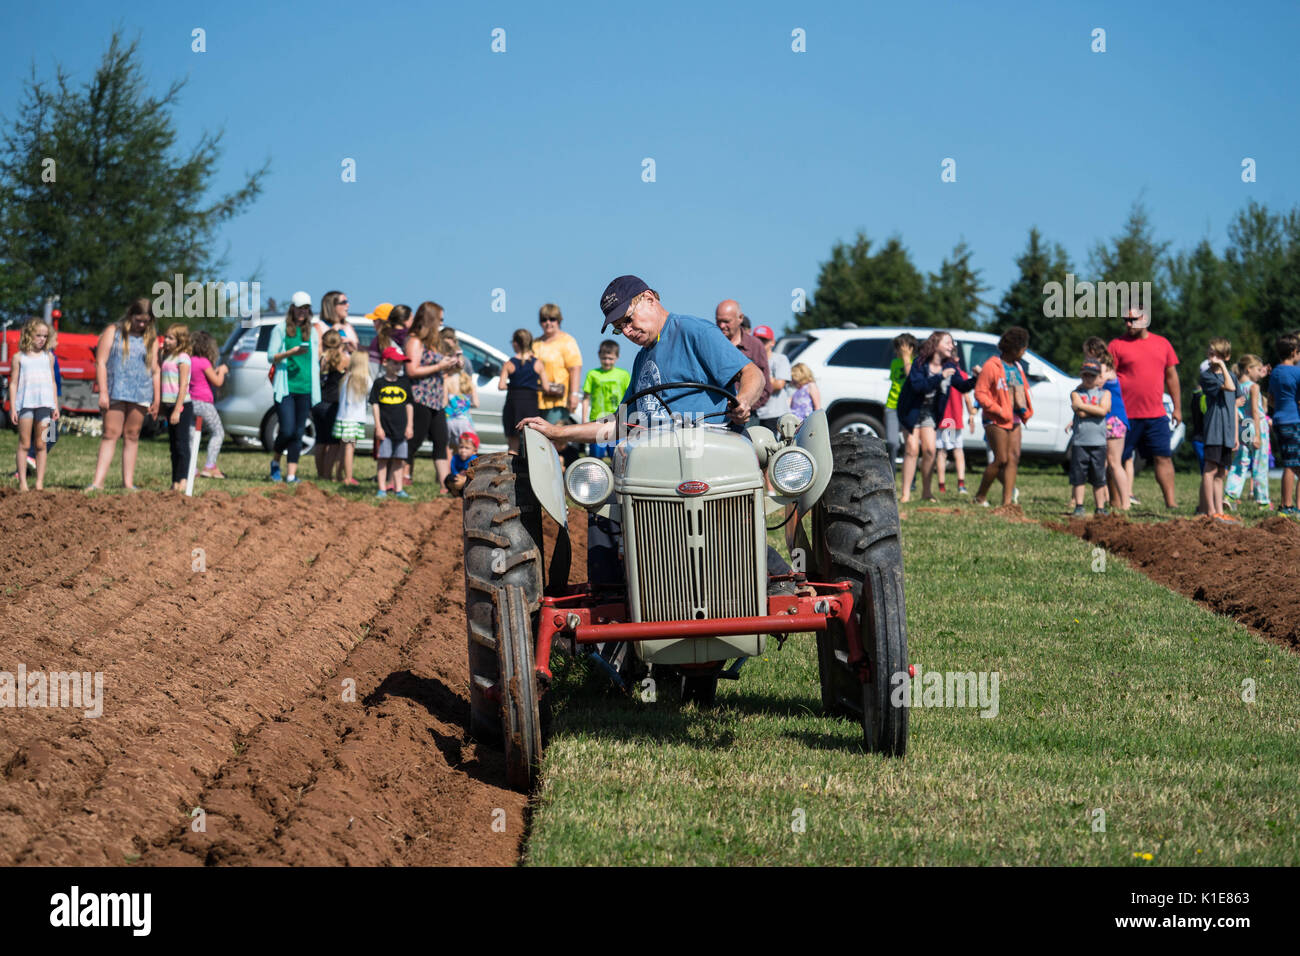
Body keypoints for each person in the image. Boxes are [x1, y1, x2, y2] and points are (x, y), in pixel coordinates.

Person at [517, 275, 767, 588]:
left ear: (649, 298)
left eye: (629, 320)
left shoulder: (693, 331)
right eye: (620, 327)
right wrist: (559, 431)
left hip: (706, 457)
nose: (628, 332)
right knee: (602, 505)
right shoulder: (641, 361)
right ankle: (609, 603)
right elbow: (618, 424)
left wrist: (743, 400)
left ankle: (773, 574)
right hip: (655, 466)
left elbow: (751, 372)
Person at [1109, 307, 1181, 511]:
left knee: (1163, 457)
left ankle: (1171, 503)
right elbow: (1105, 377)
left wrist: (1177, 408)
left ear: (1145, 318)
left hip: (1156, 414)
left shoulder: (1162, 343)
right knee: (1117, 460)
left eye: (1132, 319)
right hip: (1123, 415)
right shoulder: (1116, 345)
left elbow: (1172, 377)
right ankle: (1115, 502)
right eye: (1126, 320)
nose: (1128, 324)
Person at [88, 298, 160, 492]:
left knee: (132, 435)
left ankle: (128, 483)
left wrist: (156, 399)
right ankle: (97, 482)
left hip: (141, 392)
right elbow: (101, 362)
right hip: (115, 390)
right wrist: (103, 392)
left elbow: (155, 370)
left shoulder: (151, 338)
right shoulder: (114, 332)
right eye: (139, 320)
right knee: (110, 433)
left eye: (146, 321)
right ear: (131, 316)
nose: (142, 324)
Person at [898, 331, 974, 502]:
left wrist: (977, 378)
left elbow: (961, 386)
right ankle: (905, 494)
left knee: (930, 450)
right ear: (936, 343)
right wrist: (940, 377)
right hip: (911, 409)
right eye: (948, 342)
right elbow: (918, 386)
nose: (952, 346)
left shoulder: (950, 367)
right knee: (911, 449)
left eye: (952, 343)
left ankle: (927, 492)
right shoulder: (920, 363)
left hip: (930, 412)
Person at [972, 327, 1033, 507]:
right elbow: (980, 393)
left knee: (1013, 458)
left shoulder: (1017, 367)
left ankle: (1007, 503)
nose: (1024, 351)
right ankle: (980, 496)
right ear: (1014, 348)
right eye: (1023, 348)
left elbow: (1023, 390)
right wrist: (998, 409)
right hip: (995, 419)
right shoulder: (992, 366)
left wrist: (1026, 410)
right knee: (1001, 459)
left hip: (1014, 419)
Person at [268, 291, 321, 484]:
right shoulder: (280, 329)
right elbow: (271, 356)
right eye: (299, 308)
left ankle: (291, 474)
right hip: (286, 388)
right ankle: (275, 461)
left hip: (306, 387)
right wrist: (290, 352)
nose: (302, 312)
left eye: (306, 308)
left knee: (299, 432)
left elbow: (315, 358)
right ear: (292, 308)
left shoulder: (312, 331)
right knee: (287, 430)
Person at [405, 302, 457, 488]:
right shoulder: (415, 341)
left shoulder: (433, 343)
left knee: (441, 441)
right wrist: (439, 366)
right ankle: (400, 478)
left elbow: (436, 366)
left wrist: (449, 364)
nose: (441, 323)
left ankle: (446, 487)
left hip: (436, 400)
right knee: (414, 441)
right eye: (440, 319)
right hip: (420, 398)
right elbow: (411, 370)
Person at [8, 318, 58, 491]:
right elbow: (13, 383)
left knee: (42, 444)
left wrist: (55, 406)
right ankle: (22, 482)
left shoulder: (49, 357)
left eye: (45, 336)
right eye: (38, 335)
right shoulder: (19, 358)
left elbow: (53, 382)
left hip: (45, 405)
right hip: (26, 405)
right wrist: (14, 407)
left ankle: (39, 482)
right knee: (24, 444)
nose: (42, 339)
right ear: (29, 335)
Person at [1199, 338, 1239, 522]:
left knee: (1221, 472)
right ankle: (1210, 511)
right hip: (1214, 429)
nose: (1212, 357)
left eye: (1216, 354)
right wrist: (1222, 366)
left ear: (1226, 356)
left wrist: (1236, 435)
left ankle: (1219, 512)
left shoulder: (1232, 376)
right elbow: (1229, 388)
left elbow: (1236, 404)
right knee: (1210, 469)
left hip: (1228, 431)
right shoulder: (1207, 376)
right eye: (1210, 353)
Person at [1225, 354, 1271, 510]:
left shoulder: (1237, 385)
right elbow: (1255, 412)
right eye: (1258, 370)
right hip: (1256, 426)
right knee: (1260, 463)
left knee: (1241, 461)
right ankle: (1262, 501)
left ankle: (1230, 494)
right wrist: (1258, 435)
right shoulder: (1254, 387)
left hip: (1244, 425)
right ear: (1249, 369)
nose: (1260, 373)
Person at [1067, 360, 1112, 517]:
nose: (1088, 379)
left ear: (1099, 377)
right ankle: (1079, 506)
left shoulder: (1105, 394)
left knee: (1099, 477)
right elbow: (1080, 413)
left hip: (1099, 442)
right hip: (1080, 441)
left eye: (1092, 376)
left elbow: (1103, 411)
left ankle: (1100, 508)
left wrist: (1084, 407)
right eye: (1085, 375)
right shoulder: (1075, 393)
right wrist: (1096, 409)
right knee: (1079, 477)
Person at [715, 300, 772, 417]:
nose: (721, 326)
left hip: (748, 415)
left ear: (740, 318)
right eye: (718, 321)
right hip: (716, 415)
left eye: (726, 321)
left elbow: (765, 386)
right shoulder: (712, 344)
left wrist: (746, 405)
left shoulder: (755, 345)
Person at [371, 346, 414, 499]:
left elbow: (409, 405)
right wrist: (378, 427)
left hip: (401, 429)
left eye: (400, 363)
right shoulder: (379, 383)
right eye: (395, 363)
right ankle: (382, 488)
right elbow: (375, 405)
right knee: (383, 459)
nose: (398, 366)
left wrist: (409, 426)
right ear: (385, 362)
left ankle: (398, 489)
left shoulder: (404, 383)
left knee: (399, 459)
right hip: (385, 429)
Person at [499, 328, 551, 455]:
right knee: (531, 443)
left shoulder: (509, 364)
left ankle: (513, 472)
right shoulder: (537, 363)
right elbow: (546, 387)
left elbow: (501, 386)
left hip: (513, 404)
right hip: (530, 405)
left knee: (513, 445)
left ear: (516, 343)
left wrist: (514, 385)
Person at [533, 303, 583, 425]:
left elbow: (575, 368)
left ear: (559, 321)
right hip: (536, 399)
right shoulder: (535, 343)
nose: (548, 323)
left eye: (552, 319)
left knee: (555, 437)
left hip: (558, 400)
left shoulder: (567, 341)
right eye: (544, 319)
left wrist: (574, 394)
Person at [158, 324, 195, 492]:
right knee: (173, 446)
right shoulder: (167, 357)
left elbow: (183, 385)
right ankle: (174, 480)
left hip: (181, 405)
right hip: (167, 404)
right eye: (165, 337)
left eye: (170, 338)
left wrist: (177, 409)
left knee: (181, 444)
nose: (166, 340)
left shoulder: (183, 358)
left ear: (180, 340)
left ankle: (183, 479)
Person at [1267, 332, 1300, 516]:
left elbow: (1271, 399)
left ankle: (1294, 507)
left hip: (1279, 420)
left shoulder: (1276, 372)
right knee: (1290, 464)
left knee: (1293, 462)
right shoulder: (1297, 372)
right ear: (1294, 352)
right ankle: (1287, 506)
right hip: (1293, 421)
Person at [189, 331, 229, 480]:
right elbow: (217, 382)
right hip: (204, 403)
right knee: (218, 432)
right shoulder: (204, 362)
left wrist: (215, 371)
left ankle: (191, 468)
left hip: (190, 403)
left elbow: (204, 375)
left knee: (192, 436)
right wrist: (223, 371)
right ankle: (210, 466)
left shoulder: (190, 360)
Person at [581, 339, 631, 458]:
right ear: (599, 356)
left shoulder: (623, 375)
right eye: (604, 358)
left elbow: (629, 398)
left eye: (611, 359)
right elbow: (586, 398)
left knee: (618, 457)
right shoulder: (592, 374)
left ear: (617, 357)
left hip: (617, 422)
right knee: (596, 457)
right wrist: (584, 420)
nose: (607, 362)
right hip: (597, 421)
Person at [312, 330, 349, 480]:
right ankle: (328, 474)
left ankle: (321, 474)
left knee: (320, 441)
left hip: (318, 403)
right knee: (334, 444)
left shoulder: (321, 359)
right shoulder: (343, 359)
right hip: (333, 404)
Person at [936, 354, 975, 494]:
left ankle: (942, 486)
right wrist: (971, 415)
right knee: (956, 451)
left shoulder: (940, 373)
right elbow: (967, 398)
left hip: (943, 419)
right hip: (952, 419)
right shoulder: (962, 374)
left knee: (942, 451)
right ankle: (960, 484)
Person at [334, 349, 372, 487]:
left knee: (343, 448)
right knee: (350, 447)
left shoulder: (346, 378)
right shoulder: (365, 380)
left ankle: (338, 474)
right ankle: (348, 477)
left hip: (343, 418)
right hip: (353, 420)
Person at [439, 327, 479, 449]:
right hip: (465, 419)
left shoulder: (446, 379)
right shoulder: (467, 379)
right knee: (466, 447)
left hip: (449, 418)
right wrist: (464, 404)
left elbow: (444, 402)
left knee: (447, 447)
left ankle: (450, 468)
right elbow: (475, 402)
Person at [885, 333, 917, 469]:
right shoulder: (894, 363)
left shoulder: (917, 362)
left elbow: (912, 379)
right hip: (892, 406)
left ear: (911, 348)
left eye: (902, 348)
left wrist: (906, 358)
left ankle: (912, 478)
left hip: (909, 408)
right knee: (892, 443)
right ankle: (891, 476)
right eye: (897, 348)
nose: (898, 351)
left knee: (911, 445)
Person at [752, 325, 791, 431]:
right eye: (757, 340)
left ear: (772, 342)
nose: (760, 344)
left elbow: (779, 384)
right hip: (755, 413)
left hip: (775, 414)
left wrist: (756, 382)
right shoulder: (750, 361)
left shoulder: (780, 359)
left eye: (763, 341)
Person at [445, 431, 480, 495]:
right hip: (459, 478)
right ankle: (454, 493)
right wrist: (458, 477)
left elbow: (476, 475)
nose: (463, 450)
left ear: (474, 451)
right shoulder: (455, 458)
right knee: (448, 478)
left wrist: (464, 480)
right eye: (461, 447)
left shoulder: (475, 460)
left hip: (470, 481)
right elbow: (454, 471)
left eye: (467, 448)